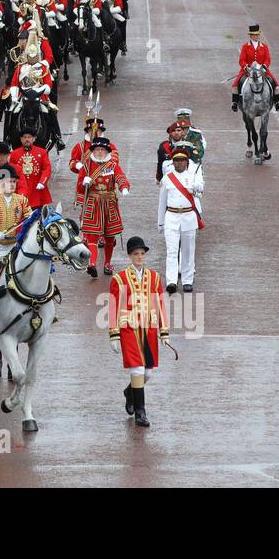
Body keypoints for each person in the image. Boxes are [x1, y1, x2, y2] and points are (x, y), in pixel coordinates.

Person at [108, 236, 170, 427]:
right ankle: (140, 413)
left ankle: (130, 392)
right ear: (129, 255)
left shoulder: (154, 277)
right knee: (137, 369)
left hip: (149, 329)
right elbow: (113, 305)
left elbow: (159, 303)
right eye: (136, 254)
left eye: (142, 254)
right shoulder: (119, 278)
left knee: (148, 373)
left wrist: (164, 330)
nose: (139, 257)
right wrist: (114, 333)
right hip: (129, 329)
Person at [156, 144, 204, 294]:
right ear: (173, 162)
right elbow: (162, 202)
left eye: (183, 160)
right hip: (171, 216)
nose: (180, 163)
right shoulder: (167, 178)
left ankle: (187, 280)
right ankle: (171, 281)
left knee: (188, 250)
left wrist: (196, 189)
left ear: (187, 162)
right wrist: (160, 222)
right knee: (171, 250)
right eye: (176, 160)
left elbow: (201, 191)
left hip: (189, 217)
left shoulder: (193, 177)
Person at [80, 137, 130, 278]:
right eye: (97, 149)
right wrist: (84, 183)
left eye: (102, 150)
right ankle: (92, 263)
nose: (99, 152)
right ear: (93, 151)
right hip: (93, 202)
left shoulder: (113, 165)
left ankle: (107, 263)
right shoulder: (87, 165)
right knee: (92, 235)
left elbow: (120, 177)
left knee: (109, 236)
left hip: (109, 203)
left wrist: (124, 187)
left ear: (107, 151)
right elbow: (79, 187)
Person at [231, 23, 279, 111]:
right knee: (235, 85)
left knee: (276, 85)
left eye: (257, 34)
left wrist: (264, 67)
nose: (256, 36)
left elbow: (267, 59)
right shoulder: (245, 47)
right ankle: (235, 103)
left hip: (262, 70)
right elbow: (242, 60)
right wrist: (246, 67)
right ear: (250, 35)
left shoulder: (264, 46)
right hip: (248, 71)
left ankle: (277, 103)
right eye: (254, 35)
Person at [12, 127, 52, 210]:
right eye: (24, 137)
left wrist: (42, 182)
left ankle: (57, 137)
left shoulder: (42, 152)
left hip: (36, 191)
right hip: (20, 190)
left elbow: (47, 168)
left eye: (29, 137)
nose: (27, 139)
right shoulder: (14, 154)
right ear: (21, 139)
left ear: (34, 139)